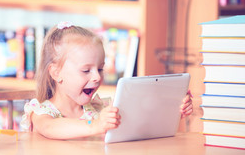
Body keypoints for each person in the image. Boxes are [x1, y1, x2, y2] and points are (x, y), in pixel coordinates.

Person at [20, 22, 193, 140]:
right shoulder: (41, 112)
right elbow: (51, 128)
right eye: (86, 70)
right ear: (56, 73)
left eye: (100, 68)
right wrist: (95, 125)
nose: (96, 77)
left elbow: (140, 125)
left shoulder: (98, 109)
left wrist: (172, 110)